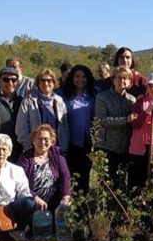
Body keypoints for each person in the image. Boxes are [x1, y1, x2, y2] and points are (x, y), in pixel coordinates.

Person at [94, 67, 136, 188]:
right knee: (106, 184)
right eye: (118, 77)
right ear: (113, 80)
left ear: (129, 82)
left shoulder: (132, 100)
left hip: (124, 148)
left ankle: (119, 207)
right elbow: (102, 120)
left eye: (125, 78)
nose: (121, 81)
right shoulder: (102, 97)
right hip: (106, 147)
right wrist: (125, 120)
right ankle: (104, 207)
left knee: (121, 182)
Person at [17, 124, 72, 214]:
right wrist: (35, 198)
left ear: (52, 141)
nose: (43, 142)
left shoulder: (56, 154)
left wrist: (66, 196)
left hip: (54, 197)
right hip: (32, 199)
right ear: (33, 140)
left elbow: (65, 176)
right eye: (39, 138)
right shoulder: (25, 158)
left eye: (46, 139)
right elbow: (20, 183)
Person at [60, 64, 97, 193]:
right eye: (77, 76)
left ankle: (83, 207)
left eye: (83, 77)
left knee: (84, 175)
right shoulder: (63, 93)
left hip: (87, 142)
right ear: (72, 77)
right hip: (69, 142)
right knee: (69, 175)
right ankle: (70, 206)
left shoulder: (94, 94)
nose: (80, 79)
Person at [15, 69, 68, 151]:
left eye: (49, 80)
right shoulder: (29, 100)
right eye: (42, 80)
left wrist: (64, 146)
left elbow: (65, 126)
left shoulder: (59, 101)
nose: (46, 83)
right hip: (35, 149)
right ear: (38, 83)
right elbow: (21, 127)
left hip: (56, 149)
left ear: (54, 83)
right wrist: (28, 147)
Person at [0, 67, 24, 161]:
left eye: (13, 80)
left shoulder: (22, 101)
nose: (10, 83)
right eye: (6, 79)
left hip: (17, 149)